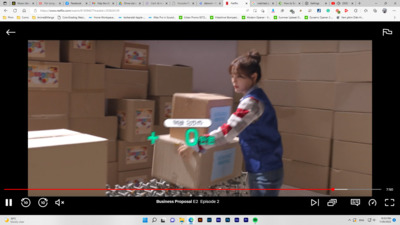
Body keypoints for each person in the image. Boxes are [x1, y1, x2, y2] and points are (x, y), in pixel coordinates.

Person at [177, 50, 284, 196]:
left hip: (265, 169)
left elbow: (227, 133)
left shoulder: (252, 102)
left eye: (239, 76)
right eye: (232, 76)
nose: (234, 81)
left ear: (253, 77)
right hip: (264, 165)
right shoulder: (256, 97)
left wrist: (196, 144)